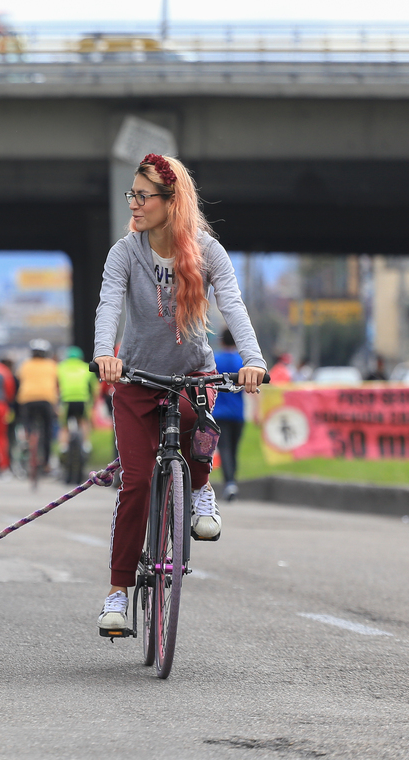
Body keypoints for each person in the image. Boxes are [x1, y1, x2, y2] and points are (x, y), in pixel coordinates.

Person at [93, 153, 265, 634]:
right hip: (136, 382)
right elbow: (109, 305)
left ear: (172, 202)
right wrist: (105, 352)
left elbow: (232, 302)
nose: (134, 203)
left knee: (201, 437)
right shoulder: (124, 253)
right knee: (137, 483)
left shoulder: (208, 252)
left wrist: (253, 360)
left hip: (193, 376)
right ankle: (116, 594)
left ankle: (202, 488)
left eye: (142, 196)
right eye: (132, 194)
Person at [16, 339, 60, 472]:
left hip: (27, 399)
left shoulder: (25, 365)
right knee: (47, 431)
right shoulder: (52, 365)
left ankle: (27, 439)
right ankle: (46, 463)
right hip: (46, 400)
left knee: (26, 422)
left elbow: (19, 379)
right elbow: (57, 384)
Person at [213, 330, 245, 502]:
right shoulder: (242, 362)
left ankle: (230, 483)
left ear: (221, 341)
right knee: (233, 449)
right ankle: (232, 482)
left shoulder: (215, 360)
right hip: (238, 412)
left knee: (224, 447)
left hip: (219, 412)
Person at [56, 345, 97, 464]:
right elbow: (95, 388)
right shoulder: (85, 368)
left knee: (64, 425)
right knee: (84, 421)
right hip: (82, 400)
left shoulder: (60, 367)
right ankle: (86, 444)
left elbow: (56, 385)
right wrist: (93, 402)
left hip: (66, 400)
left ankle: (63, 446)